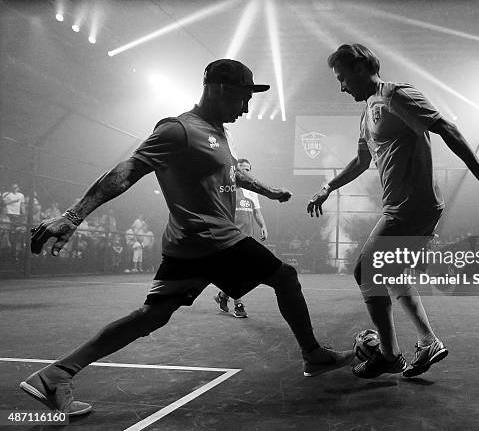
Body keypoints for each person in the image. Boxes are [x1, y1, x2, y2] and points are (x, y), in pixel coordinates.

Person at [22, 59, 353, 417]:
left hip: (190, 244)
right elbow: (127, 170)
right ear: (221, 89)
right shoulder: (177, 130)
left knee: (151, 316)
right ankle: (313, 355)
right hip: (210, 237)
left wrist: (269, 192)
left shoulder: (219, 133)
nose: (246, 108)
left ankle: (56, 375)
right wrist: (73, 216)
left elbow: (231, 176)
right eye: (243, 98)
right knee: (285, 277)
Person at [307, 44, 479, 379]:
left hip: (413, 204)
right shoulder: (366, 111)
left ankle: (388, 355)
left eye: (342, 78)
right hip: (404, 205)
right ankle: (428, 341)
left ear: (359, 68)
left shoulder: (396, 95)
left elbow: (446, 129)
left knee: (365, 272)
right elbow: (361, 161)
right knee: (391, 273)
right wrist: (328, 187)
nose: (341, 87)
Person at [214, 157, 268, 318]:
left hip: (248, 237)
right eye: (242, 169)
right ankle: (238, 304)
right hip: (230, 236)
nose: (245, 172)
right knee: (235, 270)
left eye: (248, 170)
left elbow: (257, 212)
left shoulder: (252, 191)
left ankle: (223, 295)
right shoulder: (226, 189)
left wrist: (263, 226)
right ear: (236, 171)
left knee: (246, 272)